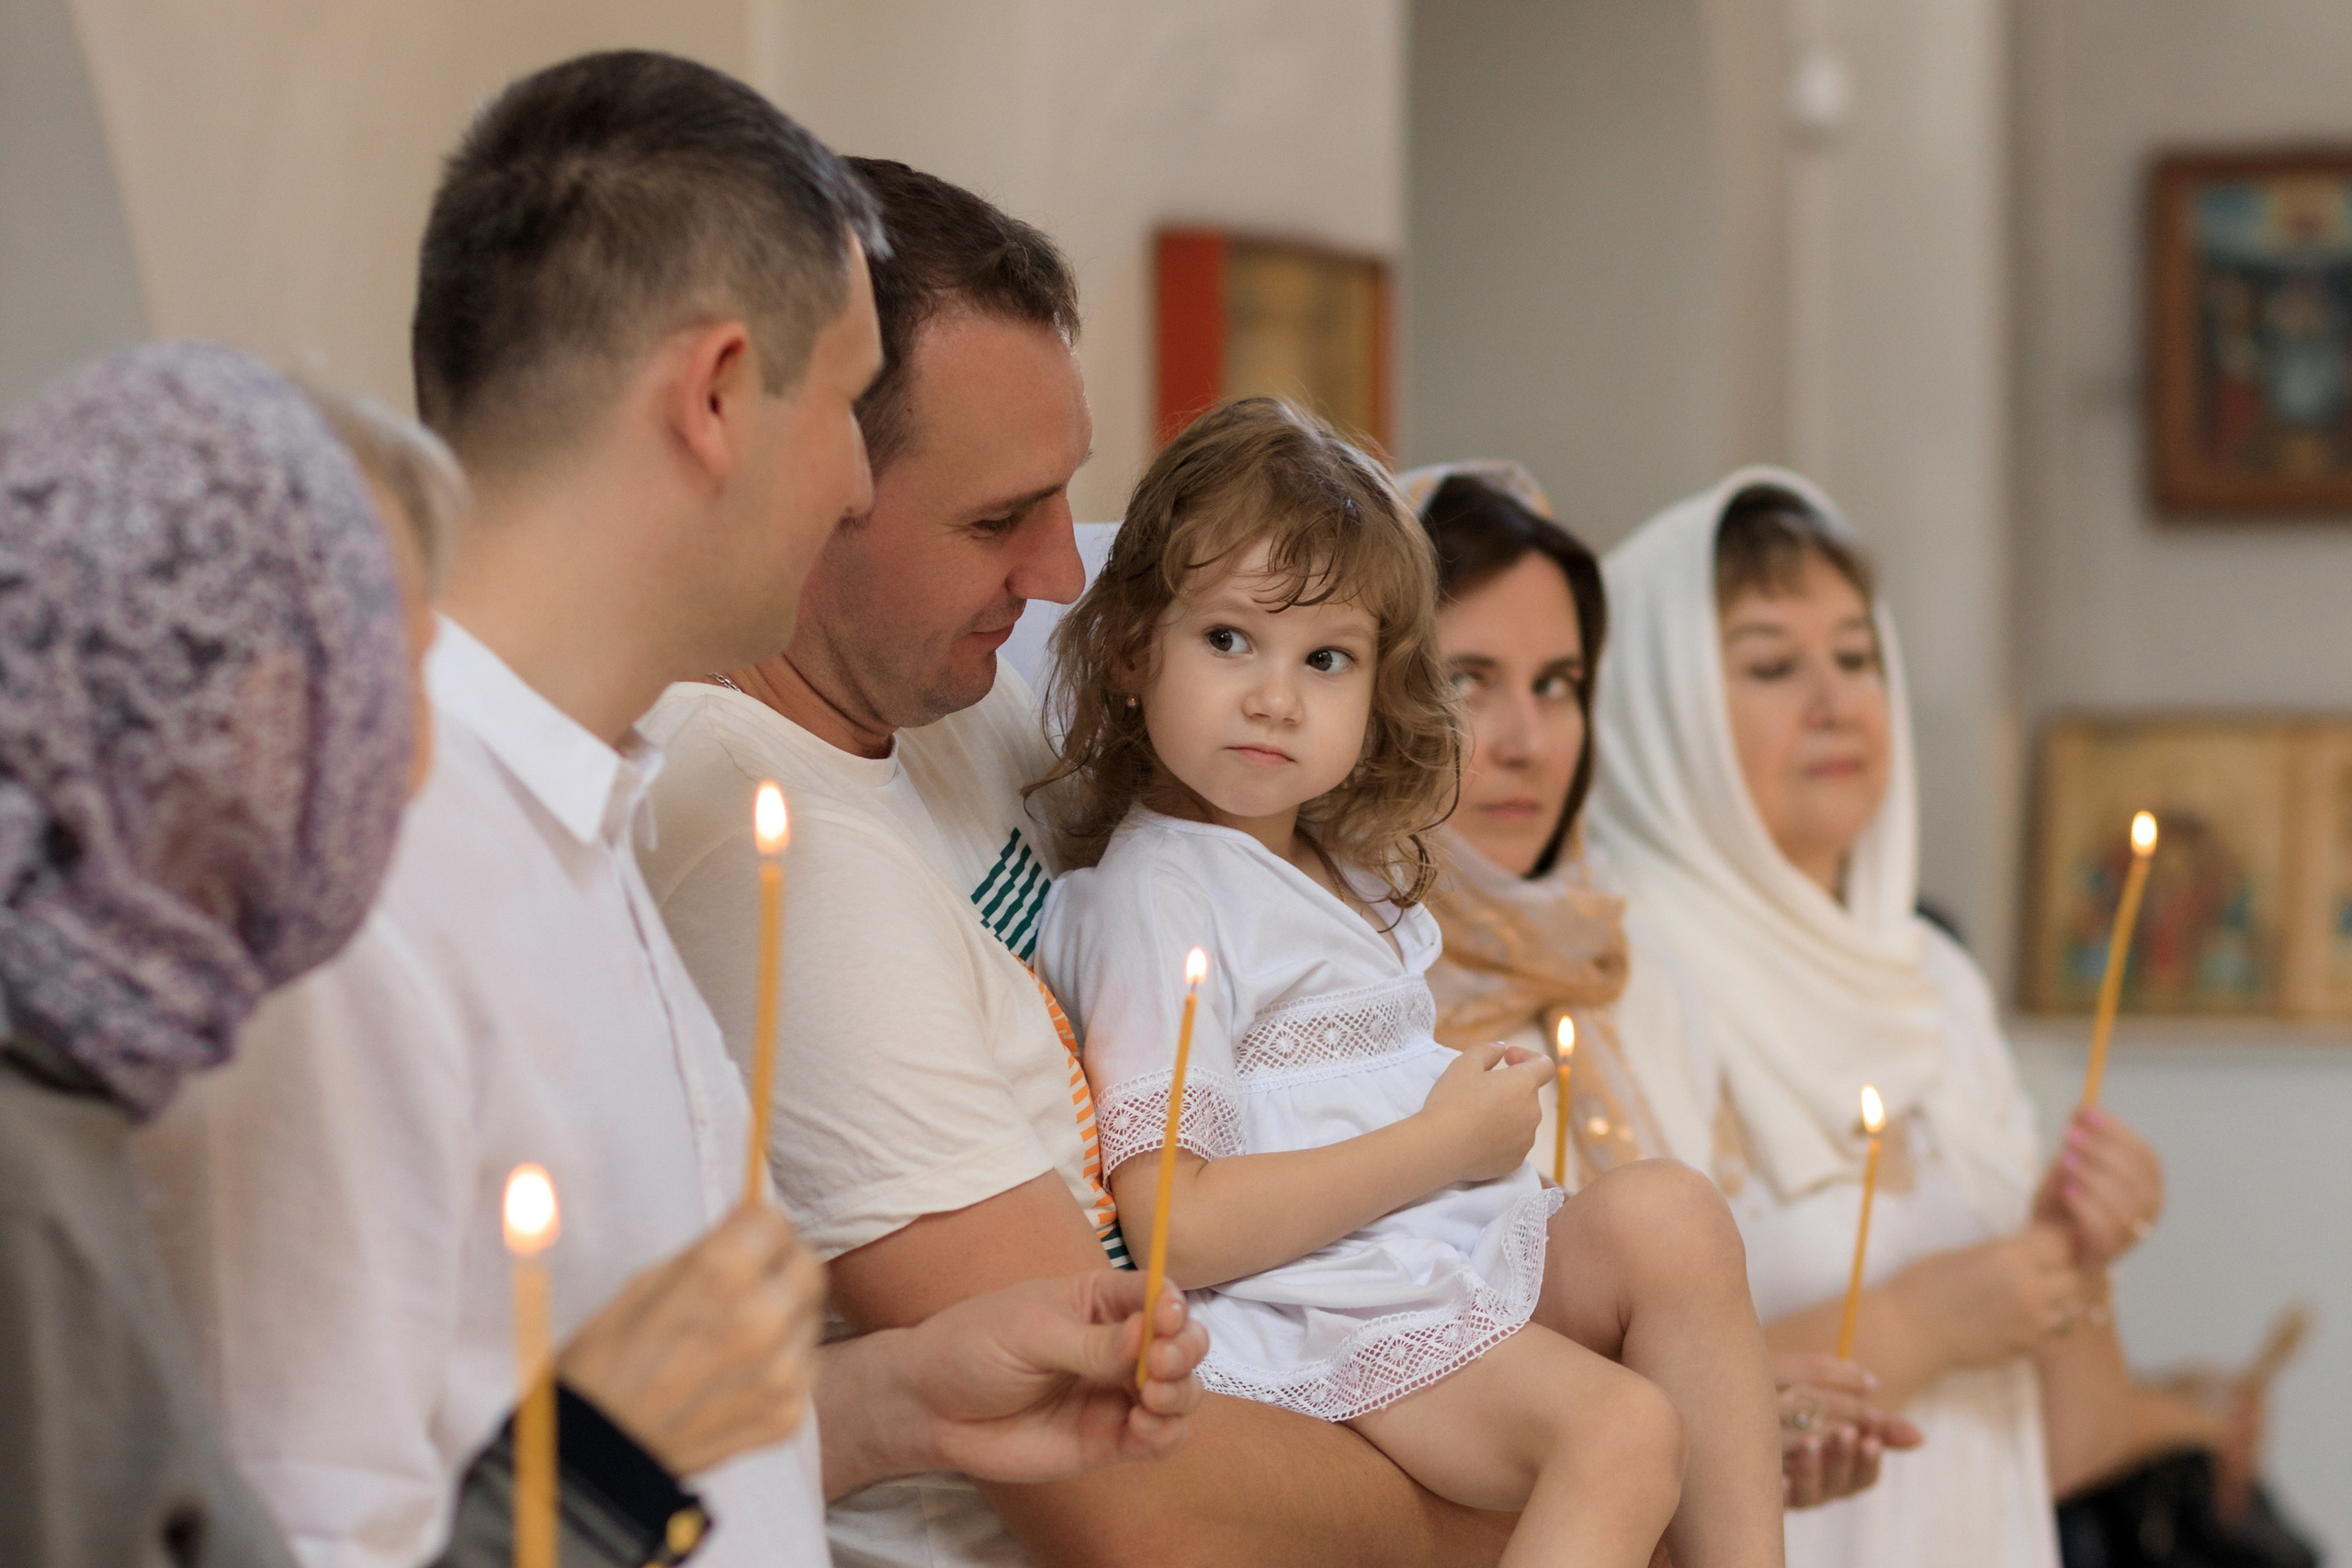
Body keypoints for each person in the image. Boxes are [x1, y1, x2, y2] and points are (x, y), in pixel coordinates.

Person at [137, 53, 1204, 1568]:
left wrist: (897, 1399)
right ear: (714, 400)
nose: (852, 487)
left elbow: (588, 1419)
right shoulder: (365, 877)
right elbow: (317, 1530)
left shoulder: (586, 795)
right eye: (842, 411)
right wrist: (618, 1455)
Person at [640, 162, 1520, 1567]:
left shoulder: (948, 678)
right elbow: (1124, 1492)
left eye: (1067, 495)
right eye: (999, 518)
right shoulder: (767, 844)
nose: (1060, 571)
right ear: (801, 479)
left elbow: (1288, 586)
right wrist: (1574, 1477)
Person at [1028, 399, 1785, 1568]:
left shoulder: (1342, 865)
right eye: (1228, 639)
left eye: (1324, 659)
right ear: (1133, 649)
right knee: (1623, 1432)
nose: (1275, 696)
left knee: (1671, 1216)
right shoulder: (1157, 896)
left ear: (1377, 688)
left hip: (1430, 1256)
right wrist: (1442, 1143)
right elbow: (1179, 1225)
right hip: (1320, 1307)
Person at [1586, 467, 2195, 1566]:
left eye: (1857, 657)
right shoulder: (1612, 984)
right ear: (1658, 712)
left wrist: (2079, 1250)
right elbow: (1591, 1424)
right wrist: (1918, 1324)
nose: (1835, 701)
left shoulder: (1934, 981)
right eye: (1772, 665)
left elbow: (2066, 1441)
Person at [1403, 460, 1928, 1515]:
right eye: (1465, 682)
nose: (1526, 741)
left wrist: (1740, 1429)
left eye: (1557, 684)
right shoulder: (1330, 996)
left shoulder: (1630, 972)